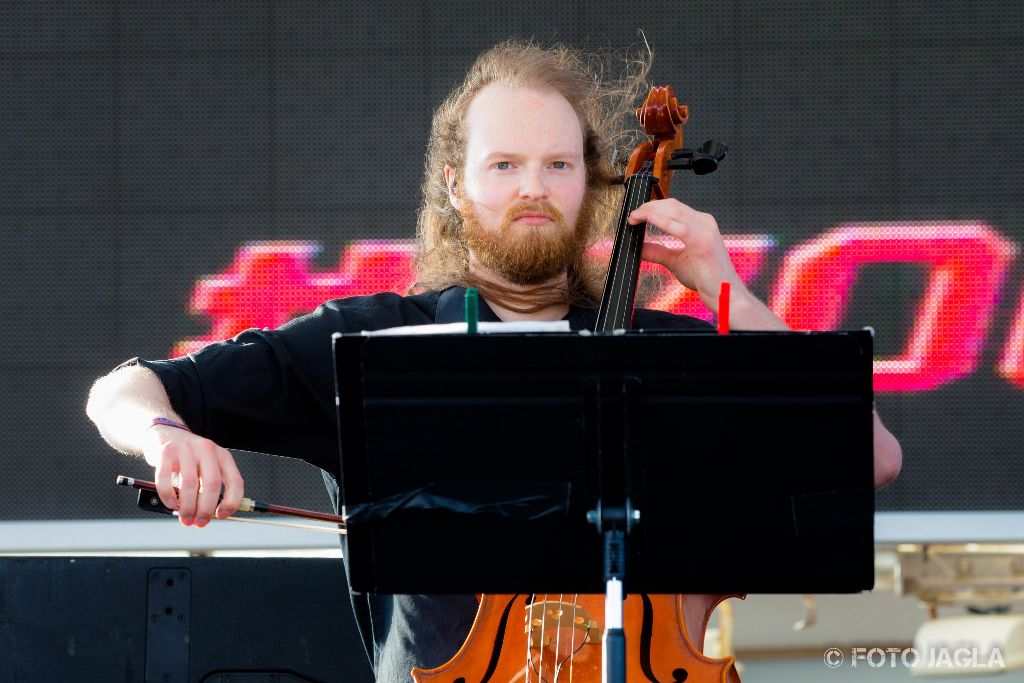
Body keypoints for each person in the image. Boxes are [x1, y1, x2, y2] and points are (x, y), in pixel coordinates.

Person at [87, 40, 902, 681]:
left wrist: (725, 284)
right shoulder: (372, 342)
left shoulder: (673, 354)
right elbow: (122, 389)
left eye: (558, 164)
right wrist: (167, 435)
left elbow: (870, 454)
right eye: (504, 165)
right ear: (455, 185)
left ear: (593, 185)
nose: (533, 188)